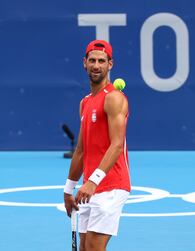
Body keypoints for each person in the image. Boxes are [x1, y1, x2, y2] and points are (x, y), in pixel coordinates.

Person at [63, 40, 131, 251]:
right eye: (92, 60)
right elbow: (81, 150)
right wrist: (68, 190)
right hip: (88, 188)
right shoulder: (85, 102)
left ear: (110, 65)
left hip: (111, 185)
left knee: (93, 248)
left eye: (102, 61)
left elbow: (117, 144)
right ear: (84, 63)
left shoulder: (114, 99)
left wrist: (93, 181)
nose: (96, 65)